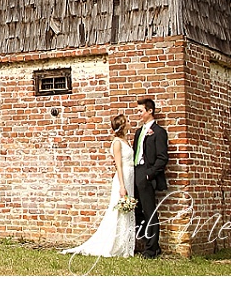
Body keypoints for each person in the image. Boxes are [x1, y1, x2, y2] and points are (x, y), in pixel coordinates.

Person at [61, 114, 135, 258]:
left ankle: (125, 244)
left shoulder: (126, 140)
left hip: (130, 176)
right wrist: (122, 185)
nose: (129, 123)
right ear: (122, 125)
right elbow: (118, 165)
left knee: (127, 211)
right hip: (123, 177)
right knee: (118, 211)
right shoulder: (117, 143)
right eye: (127, 122)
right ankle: (113, 244)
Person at [133, 97, 168, 258]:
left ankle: (151, 249)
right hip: (135, 172)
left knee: (149, 211)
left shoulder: (159, 132)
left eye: (140, 111)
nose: (138, 114)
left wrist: (149, 174)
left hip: (147, 174)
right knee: (136, 210)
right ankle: (146, 240)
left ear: (150, 111)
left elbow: (162, 158)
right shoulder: (139, 132)